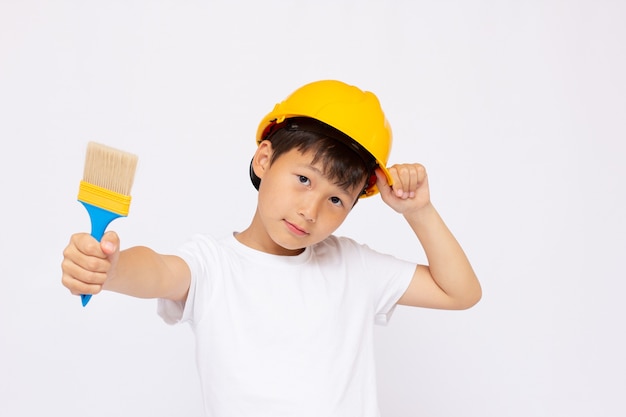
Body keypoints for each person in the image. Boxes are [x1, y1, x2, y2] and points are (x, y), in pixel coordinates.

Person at [61, 79, 481, 417]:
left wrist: (419, 211)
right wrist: (111, 271)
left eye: (336, 199)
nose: (311, 210)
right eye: (304, 179)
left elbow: (460, 292)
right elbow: (158, 271)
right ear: (264, 160)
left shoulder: (354, 265)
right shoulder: (214, 265)